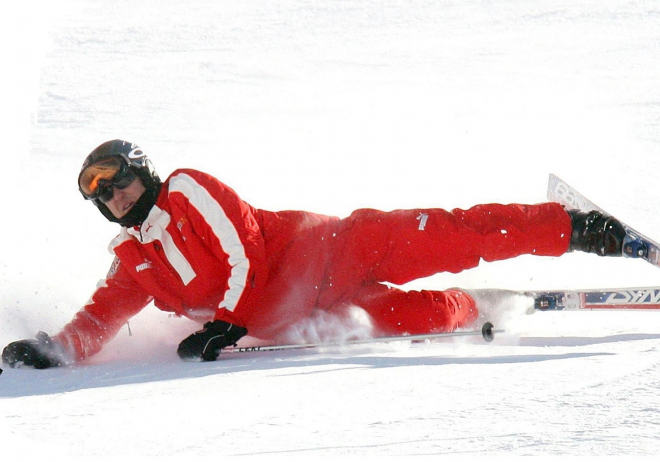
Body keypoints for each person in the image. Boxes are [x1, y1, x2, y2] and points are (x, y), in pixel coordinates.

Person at [1, 140, 627, 368]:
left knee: (453, 237)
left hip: (335, 252)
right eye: (99, 191)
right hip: (304, 318)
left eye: (117, 177)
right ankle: (477, 306)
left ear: (142, 170)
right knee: (424, 319)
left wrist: (227, 322)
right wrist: (53, 351)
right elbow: (103, 314)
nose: (113, 193)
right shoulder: (131, 260)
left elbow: (243, 249)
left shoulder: (187, 190)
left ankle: (577, 228)